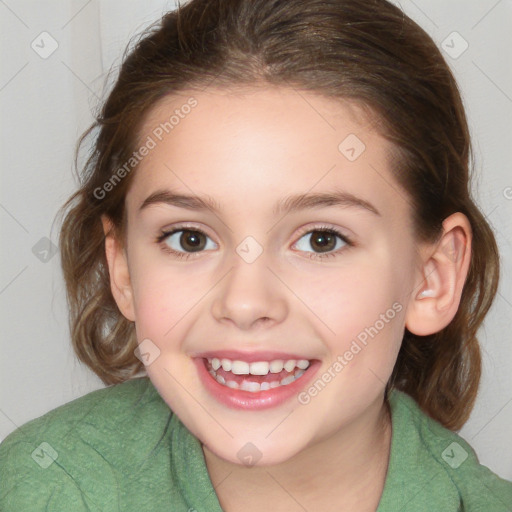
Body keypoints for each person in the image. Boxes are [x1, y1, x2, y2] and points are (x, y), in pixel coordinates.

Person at [1, 0, 511, 510]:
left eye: (321, 240)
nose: (245, 303)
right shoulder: (42, 488)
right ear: (124, 271)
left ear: (432, 277)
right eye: (189, 239)